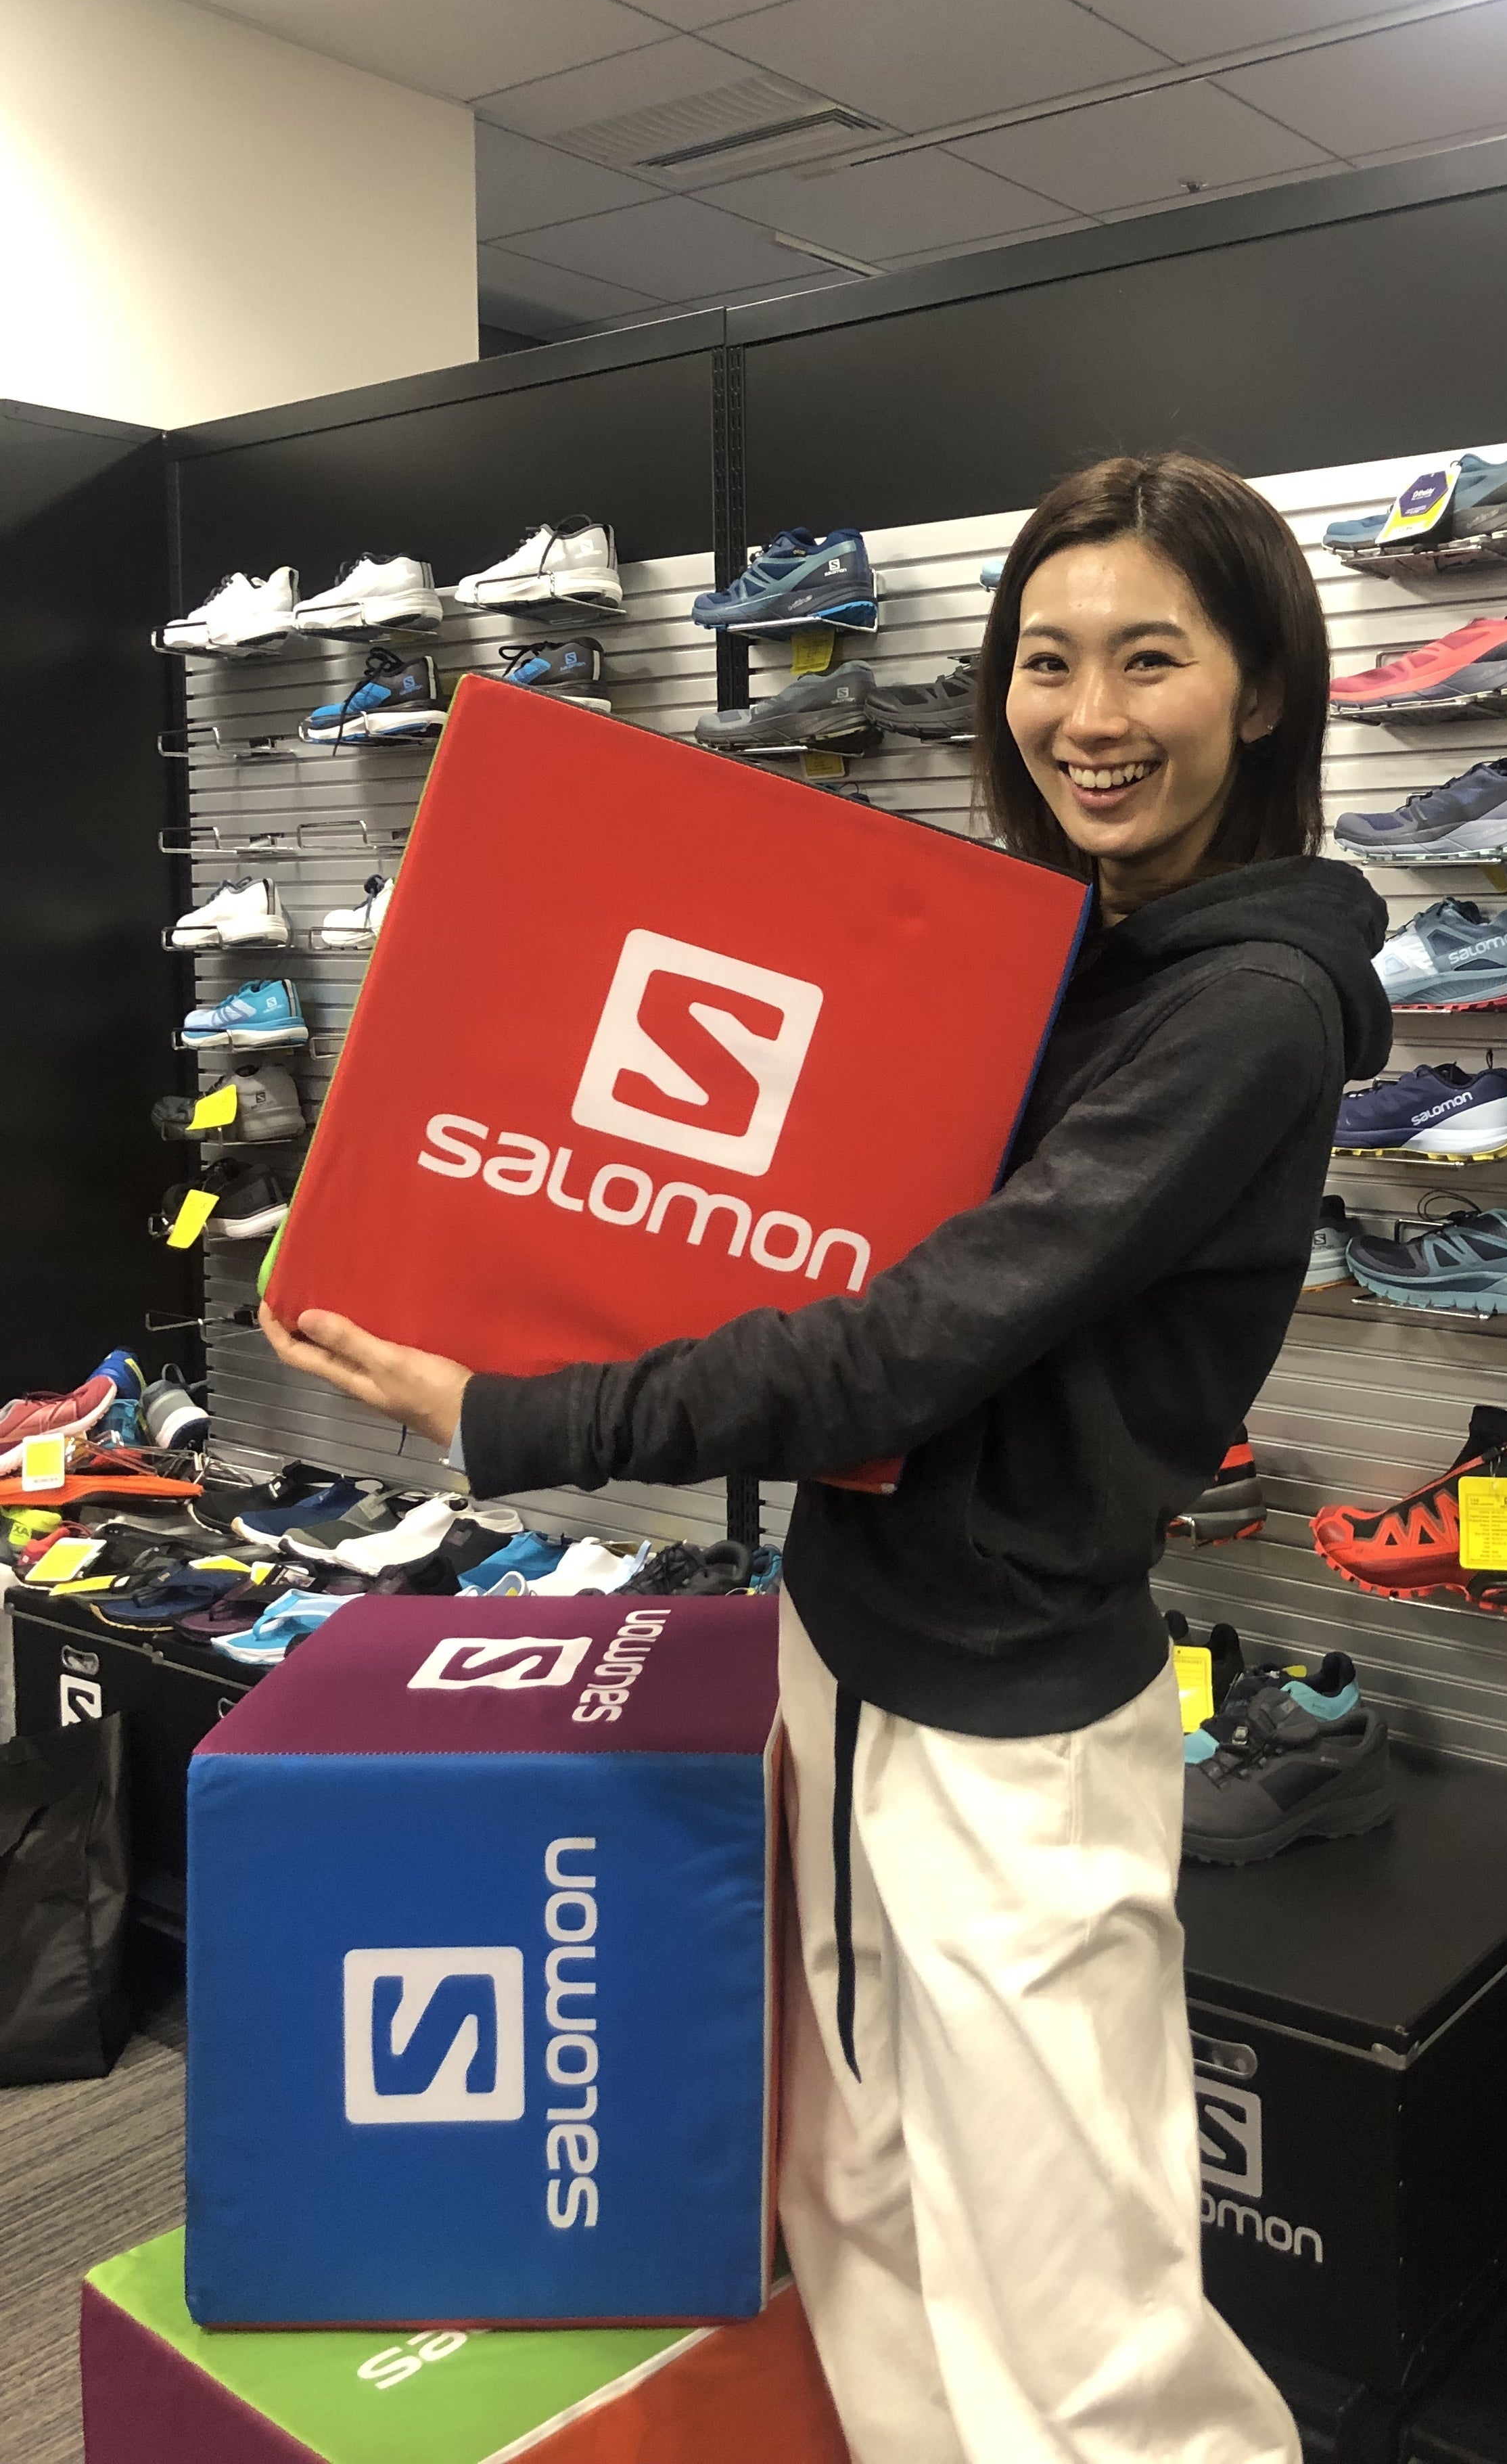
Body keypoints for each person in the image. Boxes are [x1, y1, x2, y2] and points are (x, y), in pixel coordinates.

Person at [261, 451, 1391, 2464]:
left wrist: (511, 1413)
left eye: (1150, 659)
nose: (1090, 716)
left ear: (1266, 690)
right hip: (854, 1641)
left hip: (1018, 1721)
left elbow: (904, 1349)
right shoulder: (1066, 956)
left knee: (1084, 2333)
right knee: (861, 2202)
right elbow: (805, 1222)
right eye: (1046, 659)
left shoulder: (1248, 1013)